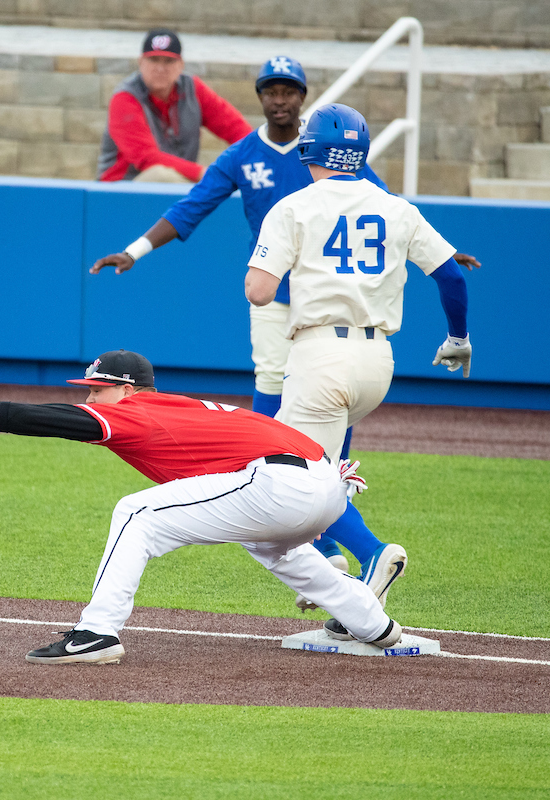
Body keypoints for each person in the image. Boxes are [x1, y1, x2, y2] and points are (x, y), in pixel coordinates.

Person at [91, 56, 397, 607]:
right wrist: (135, 251)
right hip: (273, 303)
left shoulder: (325, 155)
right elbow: (192, 208)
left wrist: (436, 251)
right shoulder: (242, 155)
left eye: (290, 90)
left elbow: (384, 208)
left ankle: (324, 535)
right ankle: (323, 542)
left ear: (303, 98)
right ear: (259, 97)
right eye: (270, 90)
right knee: (273, 417)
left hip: (320, 309)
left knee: (315, 419)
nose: (280, 99)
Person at [0, 349, 404, 664]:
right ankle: (372, 623)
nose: (91, 398)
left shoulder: (136, 411)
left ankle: (97, 633)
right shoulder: (177, 407)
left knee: (136, 514)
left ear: (128, 390)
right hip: (321, 481)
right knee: (271, 546)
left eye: (98, 388)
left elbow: (41, 418)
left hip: (280, 481)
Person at [244, 104, 479, 634]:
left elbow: (258, 292)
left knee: (292, 477)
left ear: (309, 150)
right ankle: (348, 601)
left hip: (321, 353)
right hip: (378, 361)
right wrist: (458, 338)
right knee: (321, 472)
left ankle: (368, 555)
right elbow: (452, 280)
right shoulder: (397, 208)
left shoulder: (294, 206)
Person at [97, 29, 253, 183]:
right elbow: (147, 158)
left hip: (176, 184)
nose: (160, 68)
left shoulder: (193, 90)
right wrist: (205, 173)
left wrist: (260, 155)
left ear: (181, 65)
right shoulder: (124, 98)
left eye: (168, 61)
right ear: (140, 62)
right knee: (161, 176)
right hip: (119, 192)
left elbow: (235, 127)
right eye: (154, 60)